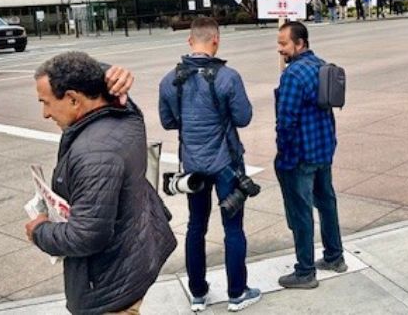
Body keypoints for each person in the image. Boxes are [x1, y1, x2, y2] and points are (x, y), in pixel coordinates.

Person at [25, 52, 176, 315]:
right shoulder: (126, 115)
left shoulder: (94, 154)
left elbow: (86, 235)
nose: (45, 114)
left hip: (109, 286)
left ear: (73, 99)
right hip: (132, 259)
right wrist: (108, 74)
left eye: (46, 103)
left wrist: (39, 231)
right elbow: (89, 75)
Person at [158, 17, 262, 312]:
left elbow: (168, 121)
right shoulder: (228, 77)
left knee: (195, 226)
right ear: (216, 41)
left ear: (190, 41)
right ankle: (237, 293)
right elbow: (243, 118)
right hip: (227, 164)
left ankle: (198, 293)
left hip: (192, 166)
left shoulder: (169, 81)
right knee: (233, 229)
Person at [274, 21, 345, 289]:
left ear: (299, 43)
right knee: (327, 203)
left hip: (300, 154)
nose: (279, 49)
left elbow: (286, 121)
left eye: (283, 44)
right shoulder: (321, 65)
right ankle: (334, 257)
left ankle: (305, 271)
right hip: (323, 149)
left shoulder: (293, 75)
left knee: (301, 211)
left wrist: (283, 154)